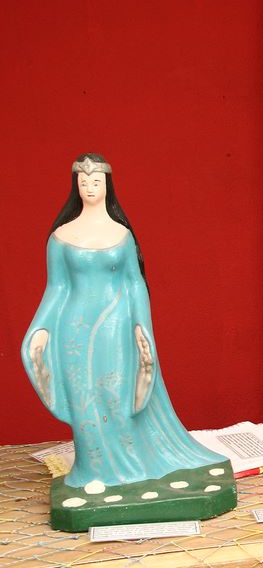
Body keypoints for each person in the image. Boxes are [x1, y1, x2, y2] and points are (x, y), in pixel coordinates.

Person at [21, 153, 227, 490]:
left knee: (116, 390)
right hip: (74, 328)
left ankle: (129, 468)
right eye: (83, 181)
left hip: (115, 326)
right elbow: (56, 288)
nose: (90, 187)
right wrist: (41, 328)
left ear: (107, 185)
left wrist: (140, 326)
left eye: (96, 181)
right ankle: (93, 469)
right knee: (84, 394)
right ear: (75, 186)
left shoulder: (122, 235)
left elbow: (135, 283)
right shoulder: (60, 237)